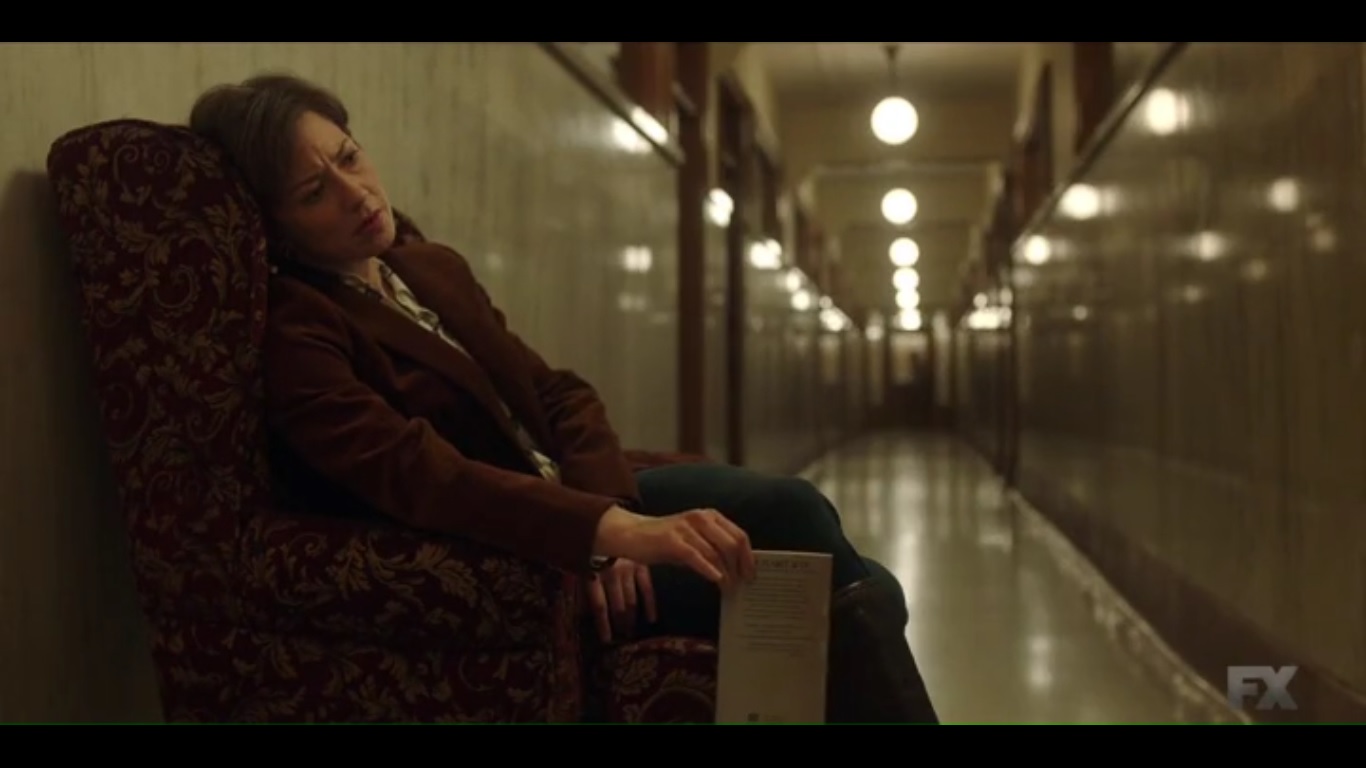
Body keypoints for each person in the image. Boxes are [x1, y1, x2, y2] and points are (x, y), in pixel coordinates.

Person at [188, 73, 939, 725]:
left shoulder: (425, 268)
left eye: (350, 157)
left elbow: (557, 393)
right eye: (315, 192)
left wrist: (608, 510)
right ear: (277, 229)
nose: (355, 194)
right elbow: (419, 475)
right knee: (857, 586)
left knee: (806, 521)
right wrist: (600, 536)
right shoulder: (298, 331)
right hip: (515, 547)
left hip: (578, 500)